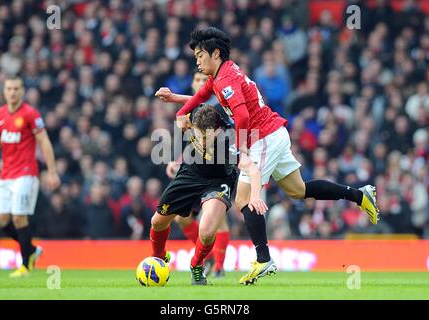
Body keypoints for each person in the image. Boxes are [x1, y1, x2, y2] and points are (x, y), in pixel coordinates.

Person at [159, 27, 380, 285]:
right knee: (298, 190)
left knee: (243, 198)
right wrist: (177, 103)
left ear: (215, 53)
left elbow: (241, 116)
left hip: (262, 137)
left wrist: (240, 149)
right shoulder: (224, 74)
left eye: (199, 55)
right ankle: (358, 194)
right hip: (273, 132)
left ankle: (263, 259)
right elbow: (202, 96)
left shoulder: (226, 79)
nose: (197, 61)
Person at [149, 104, 266, 285]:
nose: (201, 141)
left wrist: (256, 195)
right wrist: (173, 98)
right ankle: (157, 258)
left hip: (218, 181)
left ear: (218, 130)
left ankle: (197, 266)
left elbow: (252, 168)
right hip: (190, 173)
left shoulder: (231, 142)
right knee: (157, 222)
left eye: (206, 138)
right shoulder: (196, 114)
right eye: (198, 135)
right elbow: (187, 108)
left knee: (207, 230)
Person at [0, 76, 61, 277]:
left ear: (22, 91)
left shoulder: (30, 114)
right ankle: (31, 249)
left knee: (19, 217)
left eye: (16, 88)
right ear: (4, 91)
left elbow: (44, 142)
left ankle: (25, 265)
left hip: (26, 174)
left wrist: (51, 172)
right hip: (6, 174)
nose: (13, 92)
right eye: (9, 88)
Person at [158, 71, 232, 277]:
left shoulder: (218, 107)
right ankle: (206, 258)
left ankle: (219, 267)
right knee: (182, 219)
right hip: (194, 171)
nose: (201, 83)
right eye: (197, 80)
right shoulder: (189, 110)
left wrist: (173, 98)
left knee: (217, 221)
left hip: (218, 171)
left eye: (204, 80)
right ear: (192, 83)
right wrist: (176, 161)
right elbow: (187, 142)